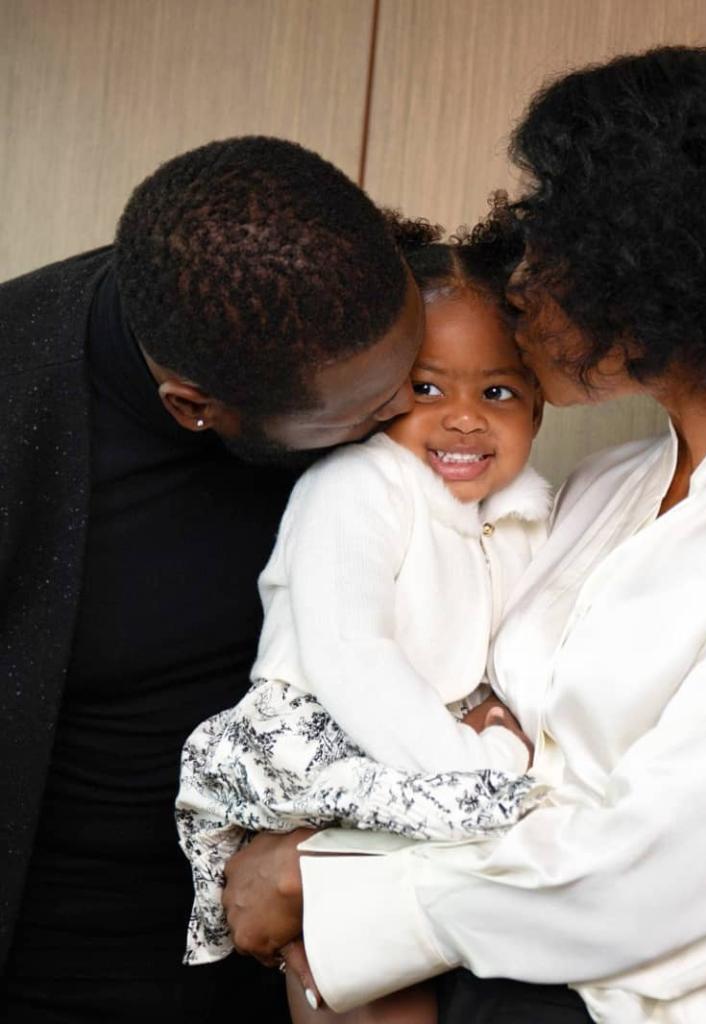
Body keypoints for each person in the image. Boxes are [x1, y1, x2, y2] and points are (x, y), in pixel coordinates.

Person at [222, 46, 706, 1024]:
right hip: (487, 969)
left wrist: (332, 887)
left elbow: (678, 863)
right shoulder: (602, 484)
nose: (519, 282)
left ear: (677, 262)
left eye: (556, 242)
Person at [0, 135, 427, 1023]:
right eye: (368, 412)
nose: (407, 414)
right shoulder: (21, 392)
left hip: (296, 941)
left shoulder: (322, 297)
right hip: (67, 961)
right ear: (194, 408)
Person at [174, 213, 547, 1024]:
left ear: (538, 408)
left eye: (497, 391)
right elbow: (352, 654)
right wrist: (474, 764)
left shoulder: (526, 511)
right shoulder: (357, 486)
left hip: (419, 748)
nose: (463, 417)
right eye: (426, 387)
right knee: (361, 971)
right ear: (379, 391)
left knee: (402, 964)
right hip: (327, 738)